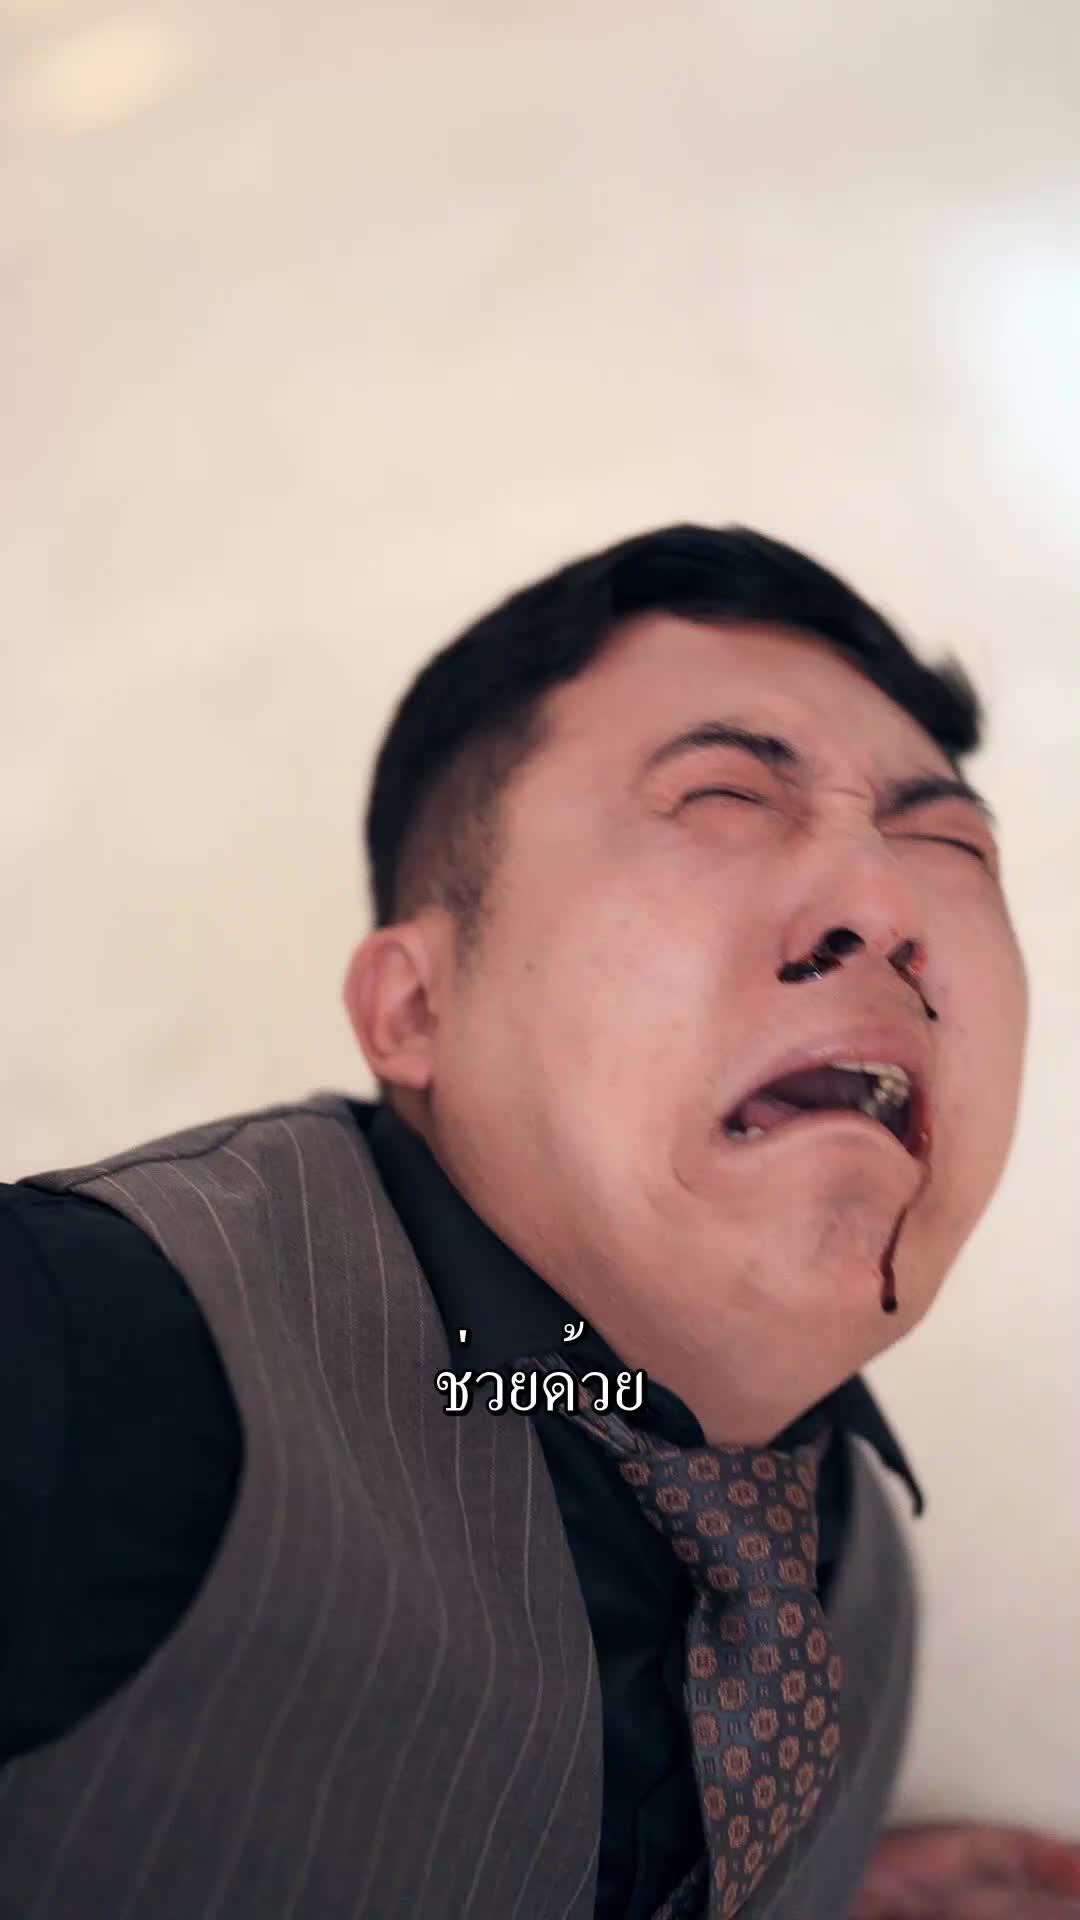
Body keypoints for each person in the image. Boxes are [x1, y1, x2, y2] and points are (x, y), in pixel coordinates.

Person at [1, 525, 1077, 1920]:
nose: (888, 903)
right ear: (416, 1007)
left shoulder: (862, 1582)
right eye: (724, 796)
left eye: (948, 843)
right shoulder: (88, 1349)